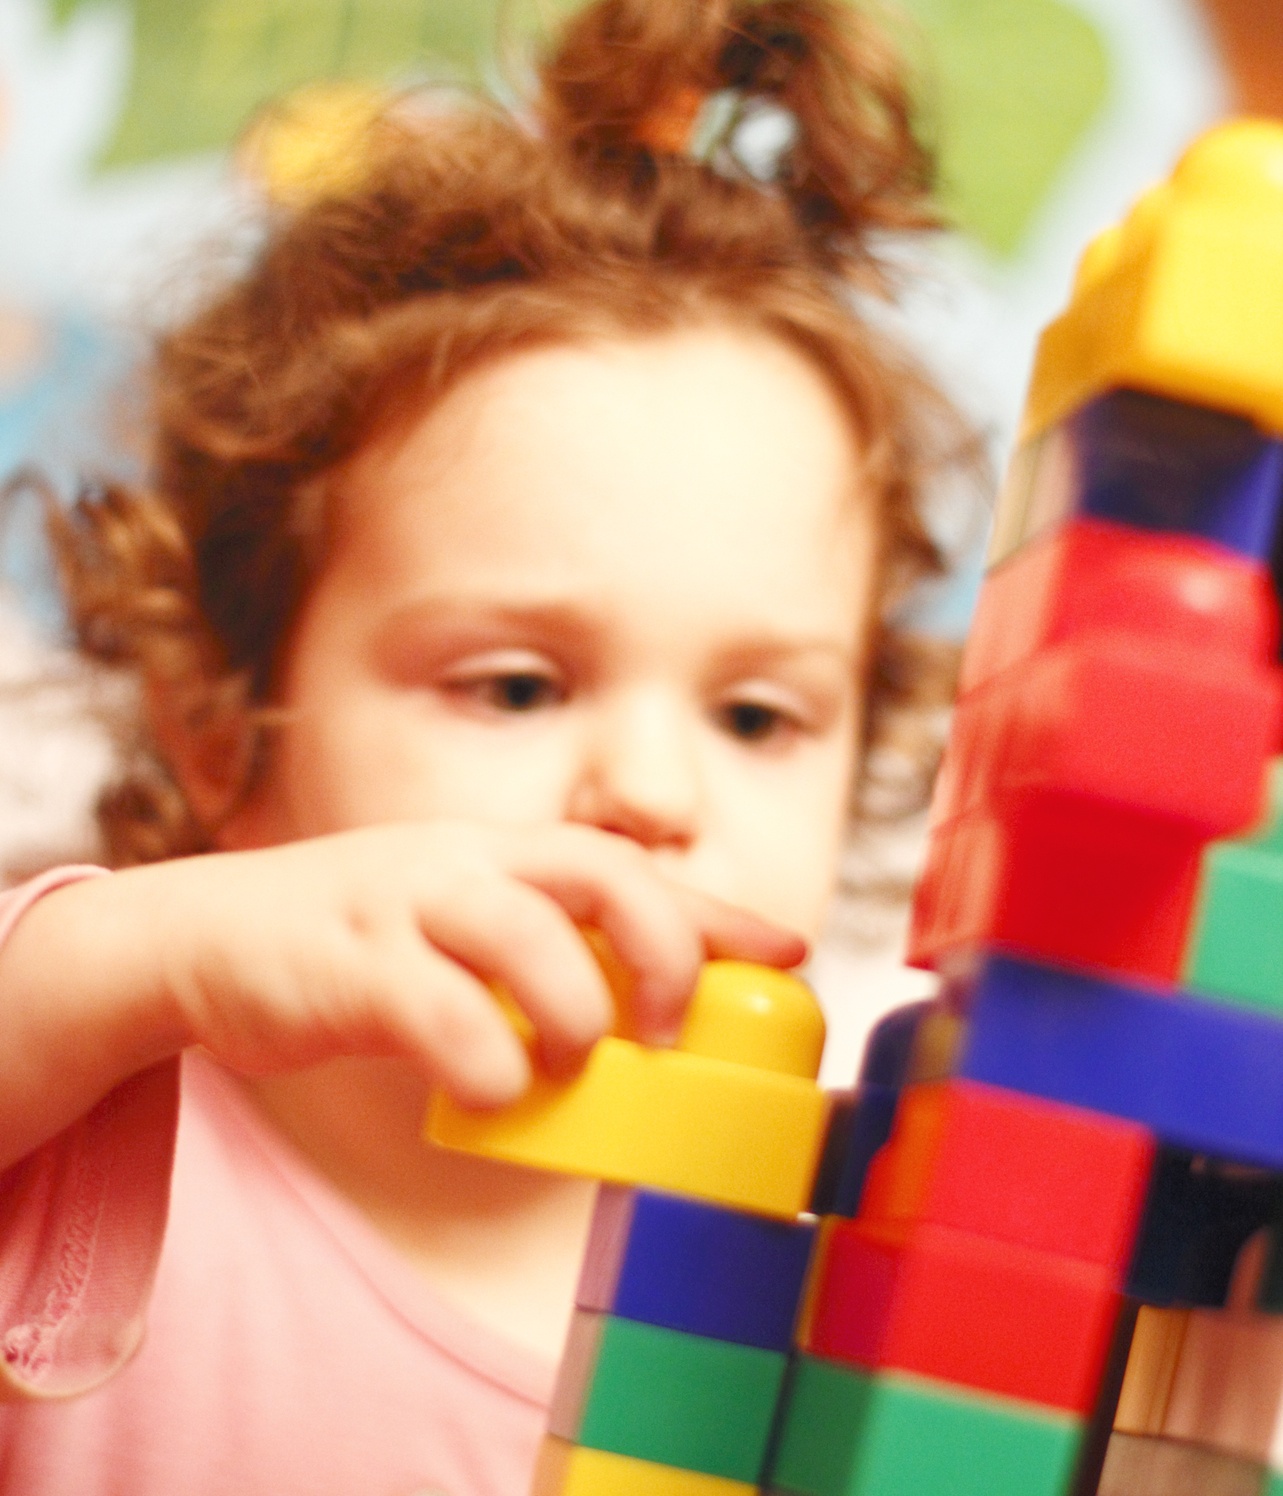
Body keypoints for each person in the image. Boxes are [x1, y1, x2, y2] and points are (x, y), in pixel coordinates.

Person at [0, 1, 962, 1491]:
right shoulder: (83, 1121)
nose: (650, 790)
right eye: (515, 687)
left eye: (759, 715)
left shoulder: (843, 1294)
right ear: (214, 717)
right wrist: (130, 962)